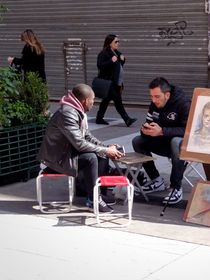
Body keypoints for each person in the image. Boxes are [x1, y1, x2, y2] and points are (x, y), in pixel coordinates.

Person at [38, 83, 125, 212]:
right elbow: (79, 143)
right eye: (93, 99)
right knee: (91, 158)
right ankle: (93, 199)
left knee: (101, 155)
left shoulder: (76, 110)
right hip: (55, 160)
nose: (94, 103)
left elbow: (87, 136)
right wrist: (106, 150)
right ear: (85, 101)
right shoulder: (67, 113)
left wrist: (105, 147)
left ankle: (95, 195)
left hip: (67, 153)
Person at [132, 77, 190, 204]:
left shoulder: (183, 103)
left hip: (182, 145)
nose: (154, 100)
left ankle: (176, 187)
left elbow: (189, 131)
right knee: (137, 141)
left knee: (175, 141)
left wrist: (162, 131)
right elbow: (148, 122)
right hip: (163, 141)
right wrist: (146, 130)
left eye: (157, 97)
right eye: (151, 96)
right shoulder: (154, 103)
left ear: (167, 95)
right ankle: (156, 180)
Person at [95, 34, 137, 127]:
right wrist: (111, 61)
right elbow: (100, 65)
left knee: (106, 101)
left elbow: (118, 66)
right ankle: (127, 119)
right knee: (118, 101)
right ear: (110, 43)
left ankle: (99, 118)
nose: (118, 43)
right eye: (116, 42)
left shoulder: (116, 52)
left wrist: (122, 60)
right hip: (108, 82)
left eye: (118, 41)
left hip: (115, 82)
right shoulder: (104, 53)